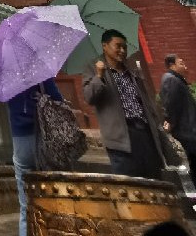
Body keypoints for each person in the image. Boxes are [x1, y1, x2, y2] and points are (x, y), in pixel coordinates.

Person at [83, 29, 163, 179]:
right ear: (105, 46)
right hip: (120, 139)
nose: (122, 51)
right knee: (130, 184)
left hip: (145, 133)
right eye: (118, 46)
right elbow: (89, 97)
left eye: (124, 47)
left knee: (154, 180)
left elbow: (145, 101)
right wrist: (99, 76)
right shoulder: (93, 68)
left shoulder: (131, 69)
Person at [8, 79, 63, 236]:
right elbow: (57, 99)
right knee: (52, 199)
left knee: (25, 205)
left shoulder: (8, 78)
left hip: (19, 138)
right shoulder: (40, 73)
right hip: (43, 136)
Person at [160, 54, 196, 184]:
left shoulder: (176, 79)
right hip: (187, 130)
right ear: (172, 65)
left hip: (188, 129)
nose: (184, 65)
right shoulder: (171, 80)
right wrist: (170, 121)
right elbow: (170, 104)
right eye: (180, 63)